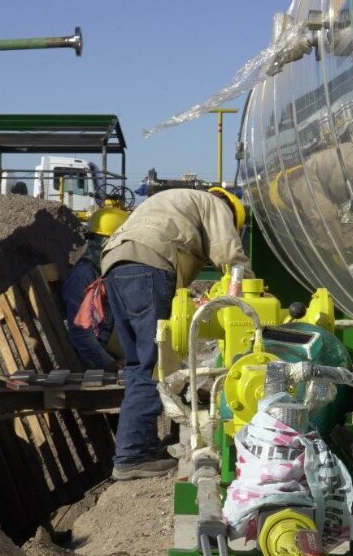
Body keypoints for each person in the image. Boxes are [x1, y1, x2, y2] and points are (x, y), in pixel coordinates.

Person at [100, 186, 250, 480]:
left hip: (115, 263)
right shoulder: (215, 205)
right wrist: (252, 297)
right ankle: (131, 457)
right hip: (150, 263)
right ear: (231, 211)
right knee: (154, 362)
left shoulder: (178, 201)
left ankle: (137, 446)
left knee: (137, 363)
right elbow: (229, 255)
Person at [62, 203, 127, 371]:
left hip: (118, 349)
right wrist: (108, 363)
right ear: (107, 242)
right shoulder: (84, 276)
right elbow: (80, 332)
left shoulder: (104, 270)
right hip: (106, 356)